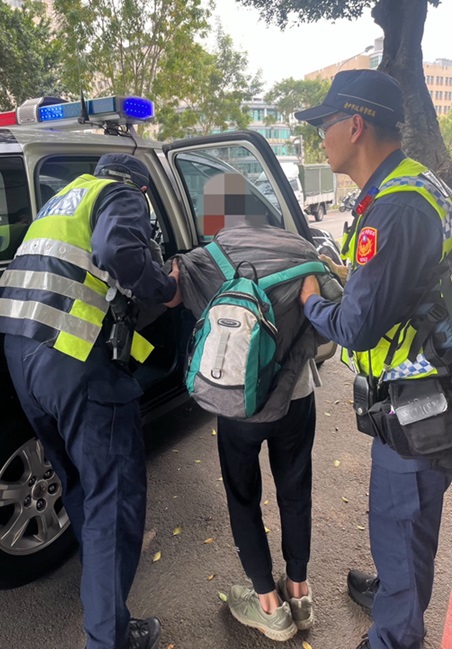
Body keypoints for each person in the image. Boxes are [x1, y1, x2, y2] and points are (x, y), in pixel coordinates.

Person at [0, 153, 178, 649]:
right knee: (115, 499)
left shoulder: (62, 200)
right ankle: (109, 639)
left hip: (23, 358)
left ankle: (104, 600)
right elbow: (116, 249)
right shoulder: (120, 193)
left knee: (81, 485)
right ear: (140, 189)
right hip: (74, 361)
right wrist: (165, 288)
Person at [295, 69, 452, 649]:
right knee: (406, 525)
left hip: (419, 403)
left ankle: (394, 635)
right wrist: (351, 276)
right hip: (431, 386)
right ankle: (395, 592)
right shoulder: (412, 187)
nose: (321, 138)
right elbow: (403, 283)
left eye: (325, 125)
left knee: (400, 519)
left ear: (355, 125)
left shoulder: (396, 208)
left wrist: (313, 301)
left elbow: (357, 328)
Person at [174, 173, 343, 641]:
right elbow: (329, 327)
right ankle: (300, 592)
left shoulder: (205, 259)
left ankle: (268, 604)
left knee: (243, 497)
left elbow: (168, 295)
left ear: (217, 215)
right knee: (295, 491)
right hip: (297, 400)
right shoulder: (302, 249)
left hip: (237, 408)